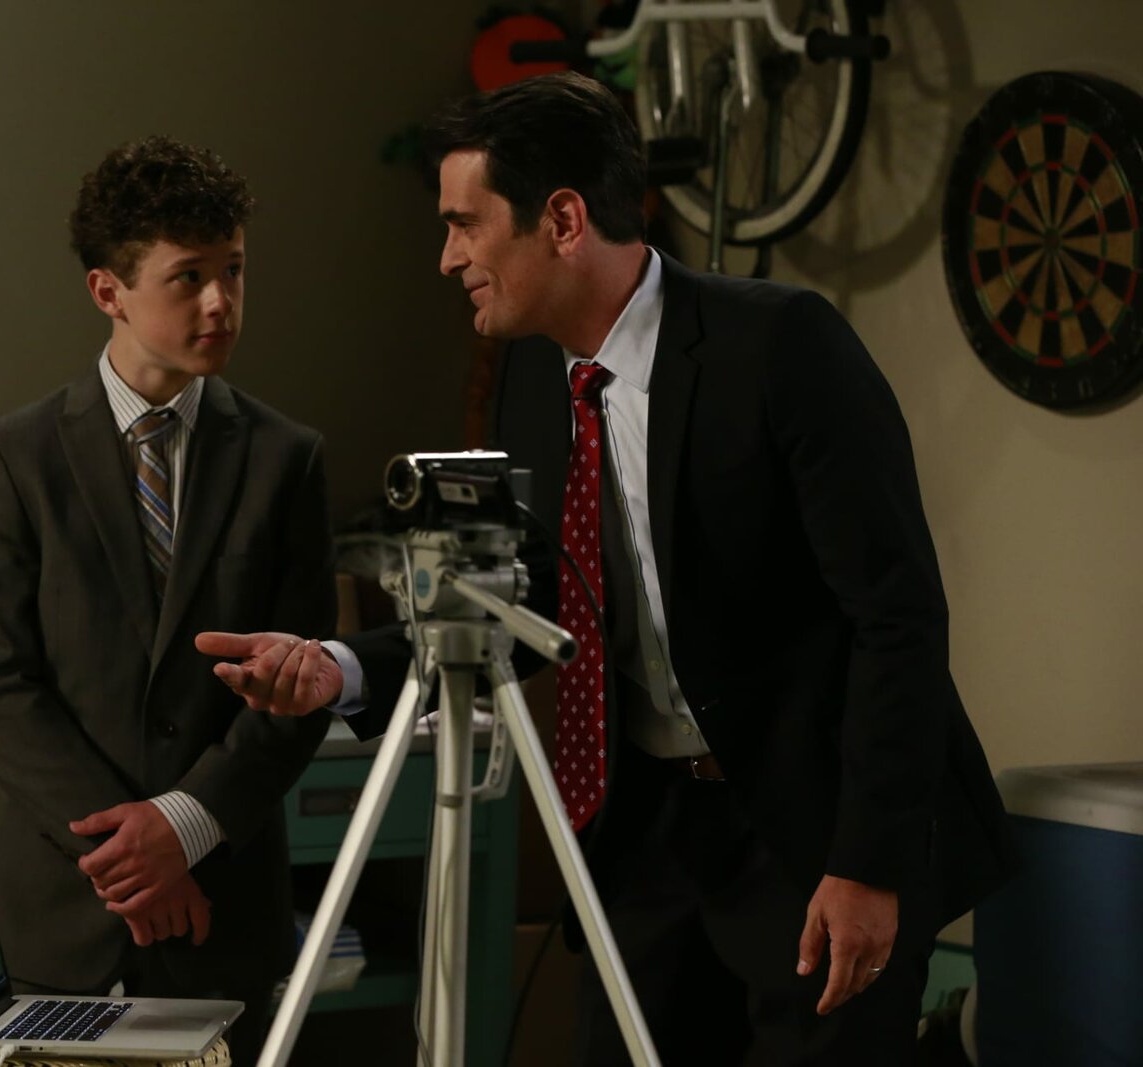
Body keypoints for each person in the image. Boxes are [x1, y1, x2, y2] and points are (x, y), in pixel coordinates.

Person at [196, 73, 1017, 1065]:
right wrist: (343, 667)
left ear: (562, 221)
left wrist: (866, 863)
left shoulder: (780, 345)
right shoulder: (535, 380)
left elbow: (897, 616)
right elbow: (534, 597)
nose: (447, 257)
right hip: (650, 839)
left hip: (814, 829)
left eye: (464, 224)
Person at [0, 135, 336, 1063]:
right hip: (58, 910)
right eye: (188, 277)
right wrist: (133, 857)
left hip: (221, 905)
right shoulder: (17, 455)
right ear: (108, 291)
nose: (220, 302)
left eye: (233, 270)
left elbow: (301, 686)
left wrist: (185, 828)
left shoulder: (286, 459)